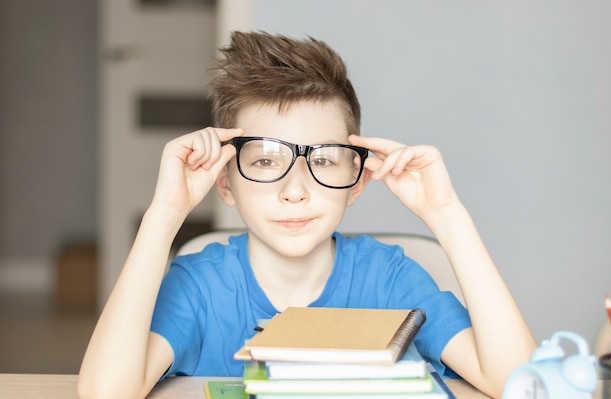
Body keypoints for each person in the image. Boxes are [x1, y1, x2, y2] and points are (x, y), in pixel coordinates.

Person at [78, 31, 536, 399]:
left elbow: (524, 386)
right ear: (225, 181)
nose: (294, 191)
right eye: (263, 161)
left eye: (322, 161)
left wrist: (446, 214)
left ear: (357, 180)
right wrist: (166, 213)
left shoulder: (391, 279)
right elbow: (105, 392)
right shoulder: (199, 286)